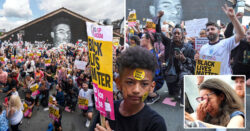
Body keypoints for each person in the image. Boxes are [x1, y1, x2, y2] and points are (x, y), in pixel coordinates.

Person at [90, 46, 167, 131]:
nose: (136, 90)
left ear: (151, 87)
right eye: (130, 82)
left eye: (144, 84)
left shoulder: (155, 124)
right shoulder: (106, 110)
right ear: (119, 83)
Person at [194, 4, 245, 75]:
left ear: (218, 31)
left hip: (224, 80)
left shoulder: (226, 43)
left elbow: (241, 34)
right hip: (210, 81)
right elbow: (203, 67)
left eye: (212, 29)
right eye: (208, 30)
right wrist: (198, 60)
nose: (210, 31)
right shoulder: (203, 48)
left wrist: (233, 18)